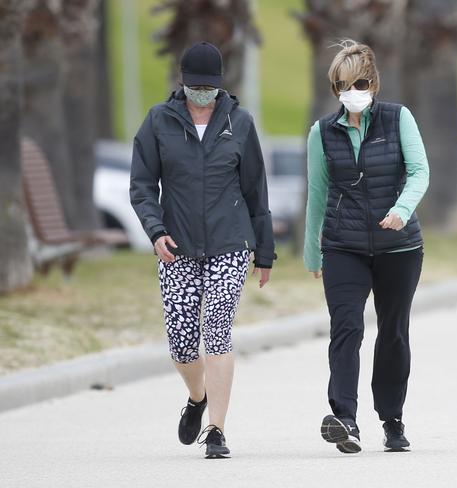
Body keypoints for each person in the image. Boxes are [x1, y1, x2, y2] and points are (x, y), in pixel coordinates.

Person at [130, 41, 276, 459]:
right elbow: (141, 185)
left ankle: (217, 430)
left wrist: (263, 251)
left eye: (208, 87)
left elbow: (255, 191)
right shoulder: (159, 120)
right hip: (175, 246)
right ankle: (197, 398)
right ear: (183, 82)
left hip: (229, 242)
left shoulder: (239, 123)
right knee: (181, 341)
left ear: (219, 85)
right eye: (195, 86)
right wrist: (155, 231)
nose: (201, 93)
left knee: (217, 329)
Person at [304, 40, 429, 454]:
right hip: (344, 246)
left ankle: (392, 420)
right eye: (342, 84)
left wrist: (402, 209)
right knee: (346, 328)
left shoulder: (398, 119)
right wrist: (312, 251)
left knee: (393, 332)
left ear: (373, 82)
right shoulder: (322, 132)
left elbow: (419, 172)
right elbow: (318, 193)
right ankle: (345, 419)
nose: (351, 90)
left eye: (358, 82)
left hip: (399, 248)